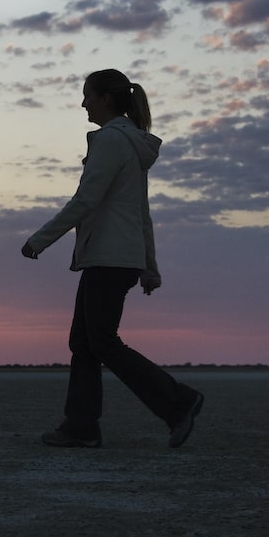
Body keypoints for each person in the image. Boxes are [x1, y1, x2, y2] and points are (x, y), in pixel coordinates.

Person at [22, 69, 204, 449]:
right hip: (115, 257)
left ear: (105, 98)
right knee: (85, 342)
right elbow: (140, 211)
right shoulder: (127, 143)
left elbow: (86, 200)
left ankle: (178, 402)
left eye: (87, 95)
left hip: (109, 257)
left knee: (101, 342)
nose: (83, 103)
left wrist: (40, 240)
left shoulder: (111, 141)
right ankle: (81, 425)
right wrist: (149, 267)